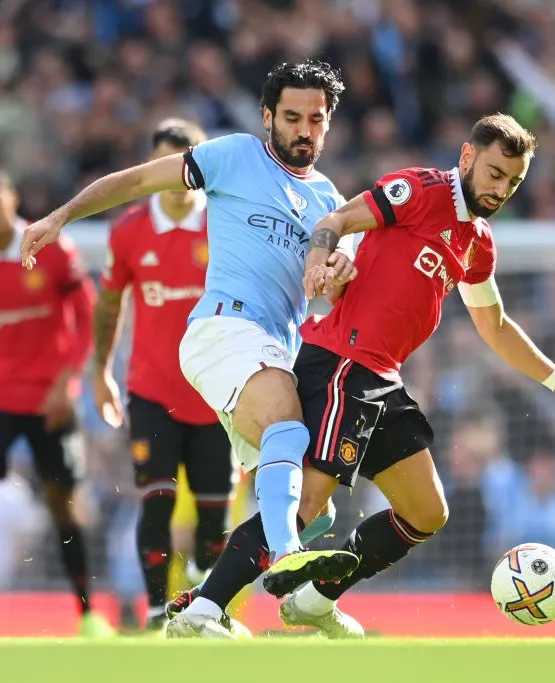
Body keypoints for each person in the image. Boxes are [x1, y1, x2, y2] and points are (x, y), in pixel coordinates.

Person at [166, 113, 555, 639]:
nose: (500, 189)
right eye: (493, 173)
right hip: (341, 364)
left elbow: (495, 324)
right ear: (467, 157)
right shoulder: (420, 189)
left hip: (383, 379)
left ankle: (313, 601)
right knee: (307, 503)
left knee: (426, 511)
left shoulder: (478, 241)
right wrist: (321, 265)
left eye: (512, 181)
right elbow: (336, 221)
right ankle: (204, 609)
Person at [18, 60, 360, 632]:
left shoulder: (332, 202)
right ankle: (289, 563)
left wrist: (339, 275)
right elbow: (134, 182)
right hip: (222, 332)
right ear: (268, 116)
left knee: (313, 503)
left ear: (329, 124)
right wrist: (63, 214)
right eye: (293, 117)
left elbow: (331, 290)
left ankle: (202, 609)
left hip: (274, 349)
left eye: (317, 120)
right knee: (285, 427)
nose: (305, 130)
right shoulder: (233, 156)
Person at [94, 118, 238, 632]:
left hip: (216, 392)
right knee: (156, 500)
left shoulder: (224, 224)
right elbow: (110, 305)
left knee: (214, 524)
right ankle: (157, 614)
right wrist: (100, 373)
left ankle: (202, 595)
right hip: (151, 391)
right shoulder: (129, 230)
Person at [0, 170, 114, 637]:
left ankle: (86, 612)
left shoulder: (48, 249)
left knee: (64, 506)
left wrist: (66, 381)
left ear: (10, 197)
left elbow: (87, 320)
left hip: (51, 400)